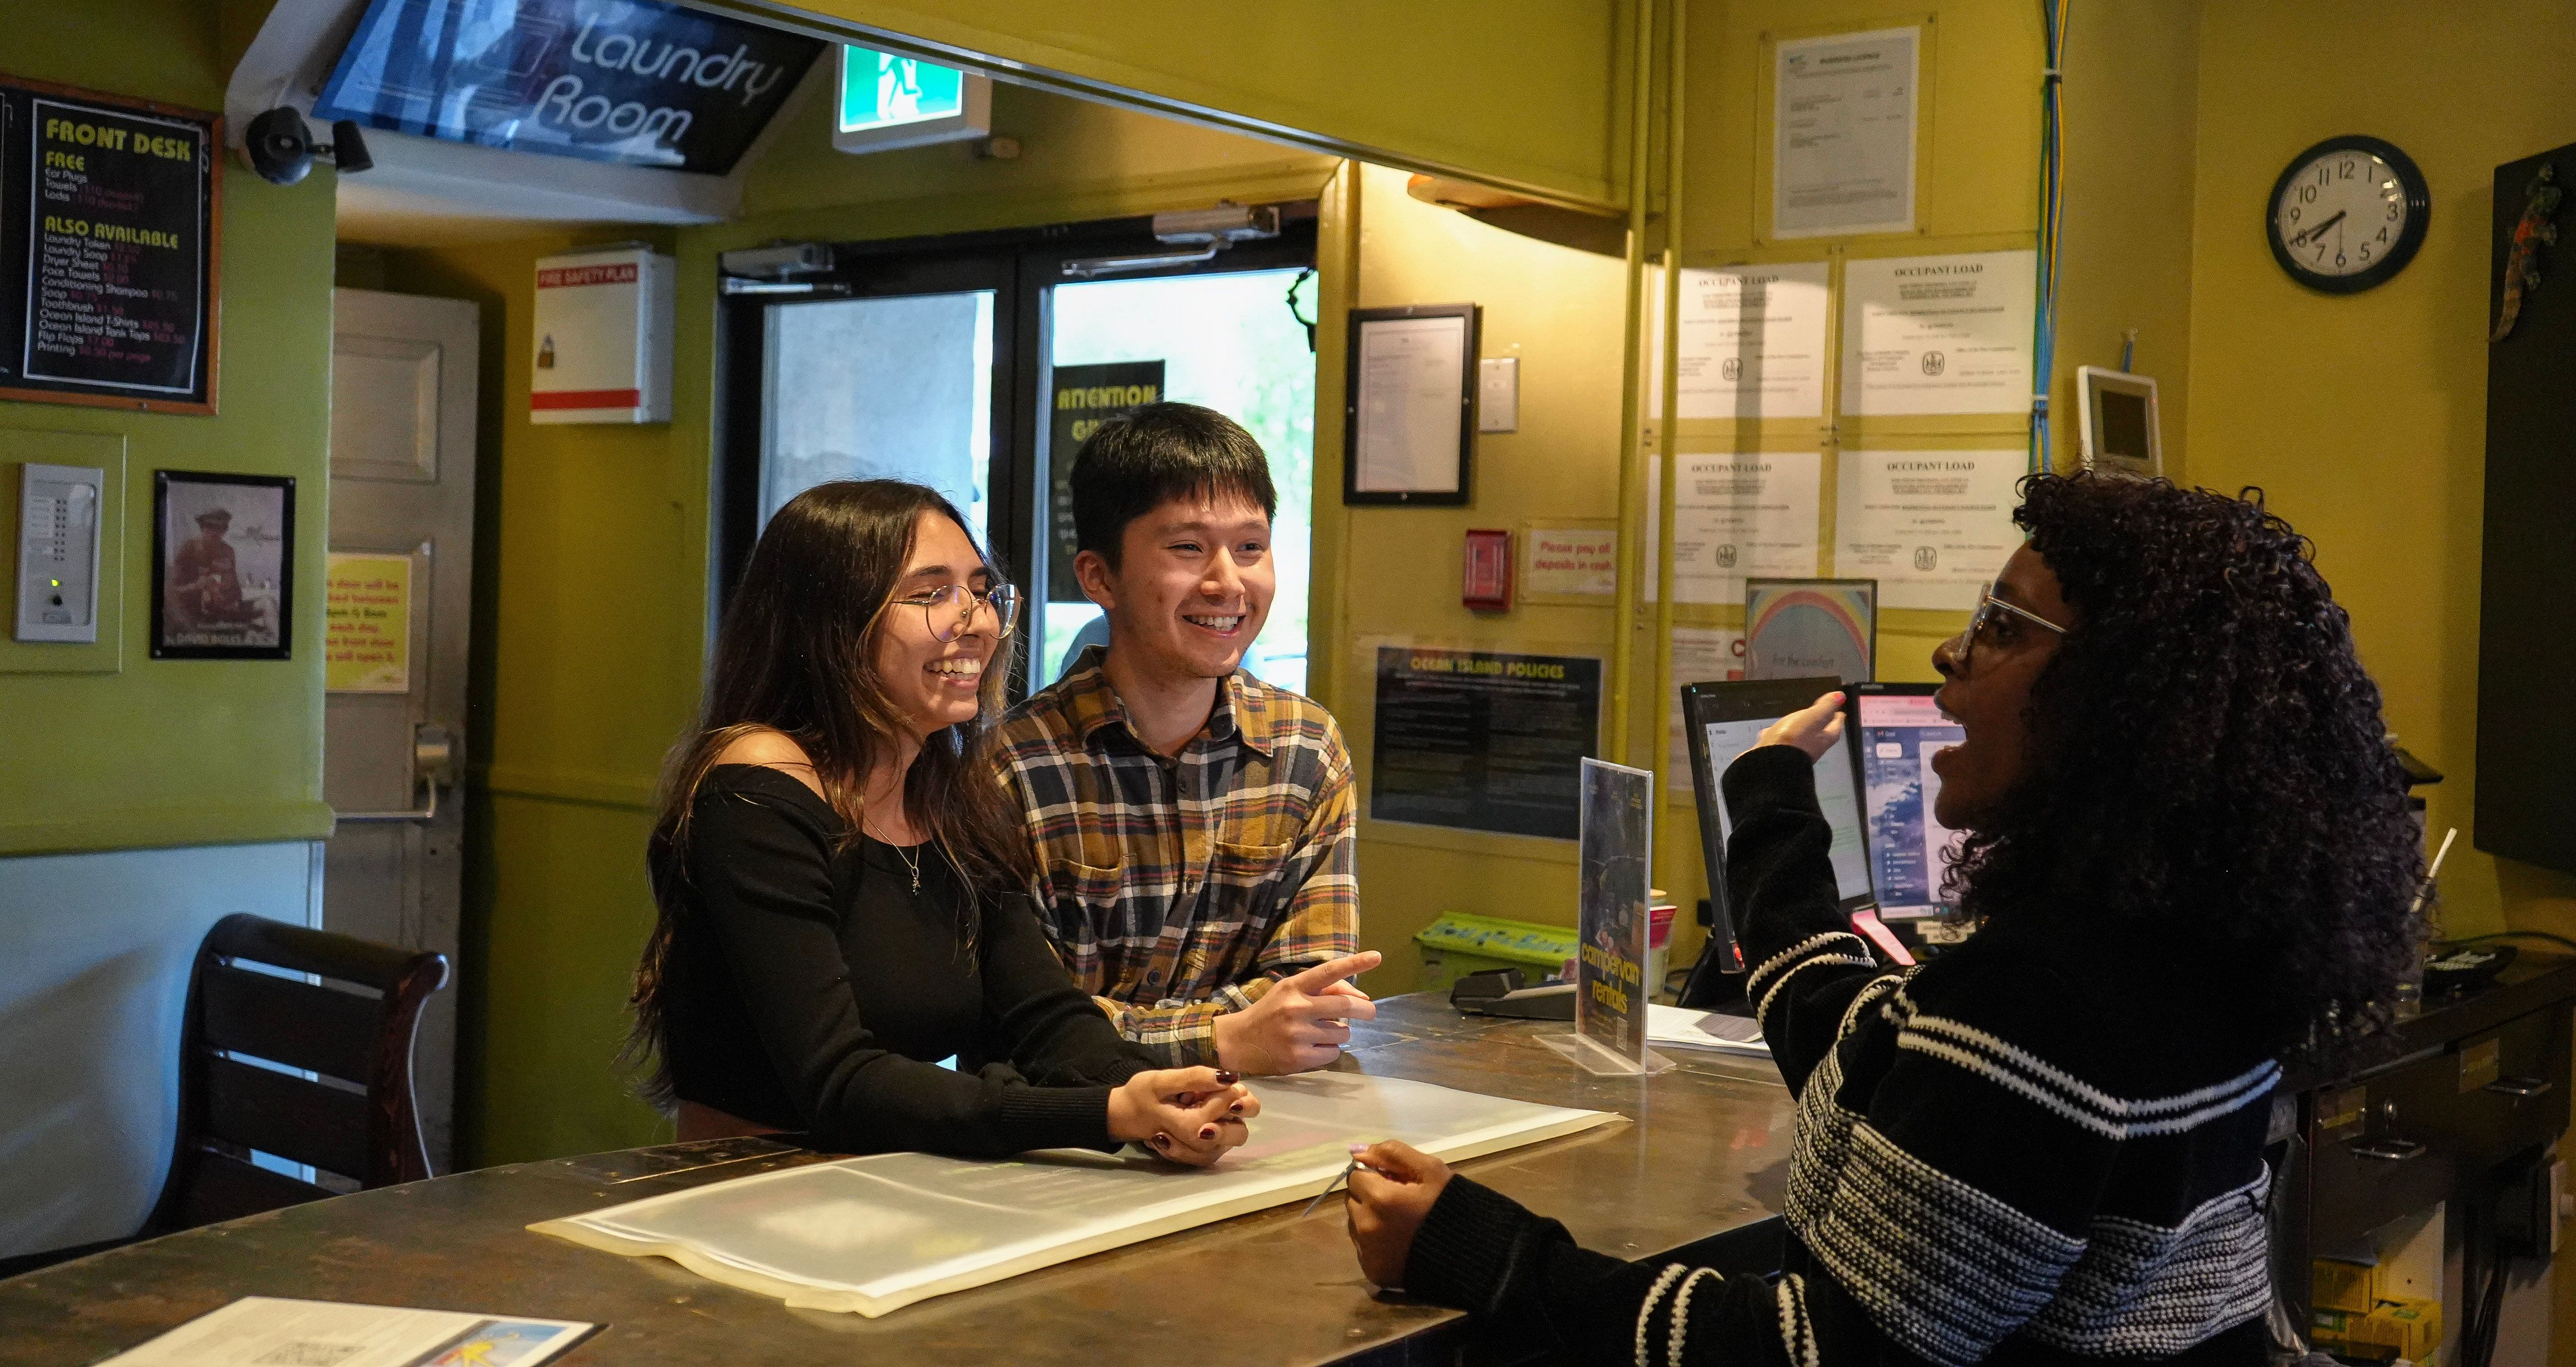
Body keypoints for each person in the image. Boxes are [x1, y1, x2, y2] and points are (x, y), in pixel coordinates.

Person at [1345, 472, 2424, 1366]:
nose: (1952, 651)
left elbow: (1815, 1352)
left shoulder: (2044, 995)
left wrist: (1480, 1250)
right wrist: (1770, 799)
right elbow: (1853, 1040)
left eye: (2000, 625)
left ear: (2117, 697)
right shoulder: (2193, 945)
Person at [625, 479, 1256, 1165]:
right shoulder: (758, 789)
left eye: (980, 592)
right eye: (931, 594)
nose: (977, 622)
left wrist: (1162, 1094)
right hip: (747, 1183)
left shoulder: (950, 792)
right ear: (832, 622)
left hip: (891, 1174)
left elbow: (1041, 1015)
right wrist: (1105, 1113)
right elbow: (837, 1081)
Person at [997, 404, 1379, 1074]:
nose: (1228, 582)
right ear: (1099, 577)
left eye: (1251, 548)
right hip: (1068, 1125)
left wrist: (1163, 1032)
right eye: (1188, 549)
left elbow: (1311, 995)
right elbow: (1025, 1022)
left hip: (1262, 1118)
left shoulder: (1304, 749)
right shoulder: (1014, 766)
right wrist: (1227, 1037)